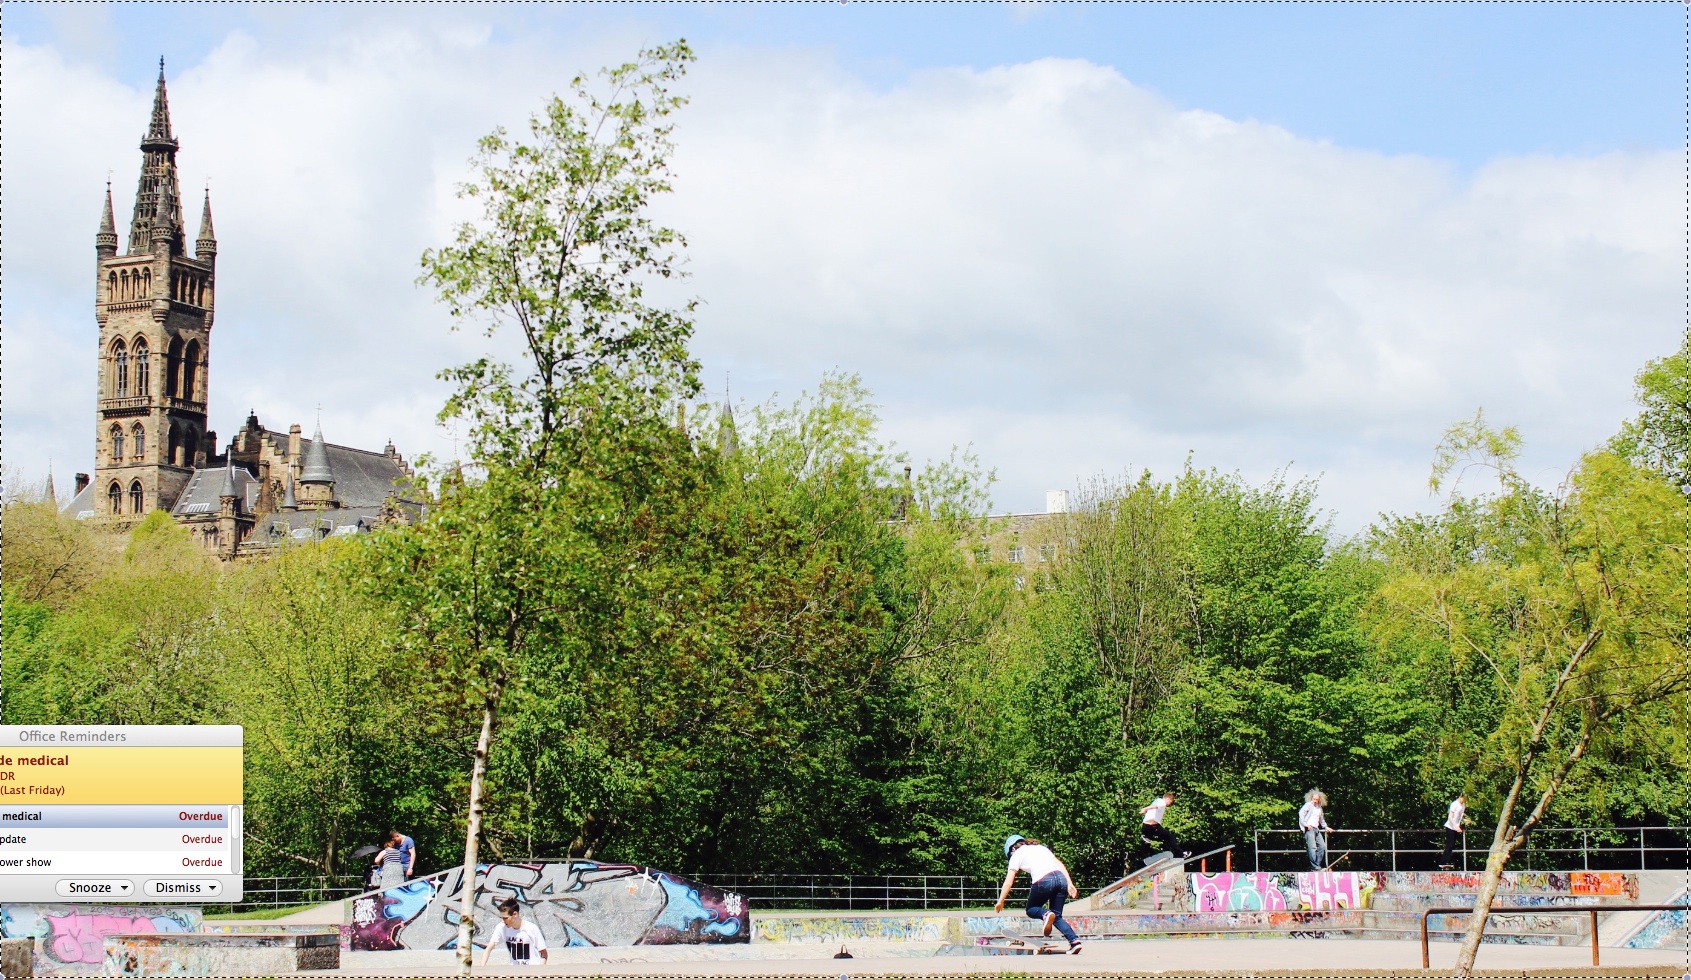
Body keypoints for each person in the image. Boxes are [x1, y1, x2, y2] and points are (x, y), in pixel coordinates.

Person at [994, 834, 1083, 954]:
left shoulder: (1017, 853)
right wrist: (1069, 883)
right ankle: (1074, 942)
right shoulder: (1041, 847)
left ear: (1012, 849)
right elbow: (1060, 864)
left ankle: (1046, 914)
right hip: (1061, 878)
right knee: (1056, 916)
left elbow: (1009, 881)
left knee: (1031, 909)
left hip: (1044, 880)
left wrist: (1000, 900)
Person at [482, 896, 548, 967]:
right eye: (502, 918)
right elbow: (488, 949)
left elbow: (544, 954)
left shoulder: (531, 928)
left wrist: (540, 970)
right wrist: (482, 967)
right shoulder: (501, 928)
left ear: (515, 914)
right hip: (514, 971)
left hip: (532, 970)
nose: (503, 921)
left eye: (506, 918)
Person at [1138, 791, 1189, 859]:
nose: (1169, 805)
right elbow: (1155, 806)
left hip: (1145, 827)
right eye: (1171, 803)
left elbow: (1152, 808)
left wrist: (1146, 810)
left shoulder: (1157, 800)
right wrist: (1145, 809)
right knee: (1169, 837)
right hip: (1153, 827)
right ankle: (1181, 854)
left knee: (1147, 841)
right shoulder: (1162, 802)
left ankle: (1145, 856)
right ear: (1168, 799)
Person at [1298, 789, 1332, 870]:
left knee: (1322, 846)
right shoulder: (1308, 805)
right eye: (1314, 799)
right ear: (1311, 798)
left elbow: (1321, 819)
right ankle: (1315, 866)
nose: (1315, 801)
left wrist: (1326, 827)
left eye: (1317, 799)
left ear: (1319, 800)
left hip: (1316, 828)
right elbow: (1301, 813)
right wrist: (1305, 824)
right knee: (1312, 847)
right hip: (1309, 828)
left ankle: (1317, 864)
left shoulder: (1319, 808)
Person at [1439, 794, 1468, 869]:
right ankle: (1443, 861)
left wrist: (1465, 820)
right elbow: (1450, 817)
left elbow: (1459, 816)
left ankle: (1447, 860)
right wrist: (1456, 826)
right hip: (1450, 826)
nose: (1463, 801)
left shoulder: (1463, 805)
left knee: (1452, 845)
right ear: (1460, 797)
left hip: (1456, 827)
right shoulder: (1454, 804)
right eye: (1463, 799)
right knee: (1449, 844)